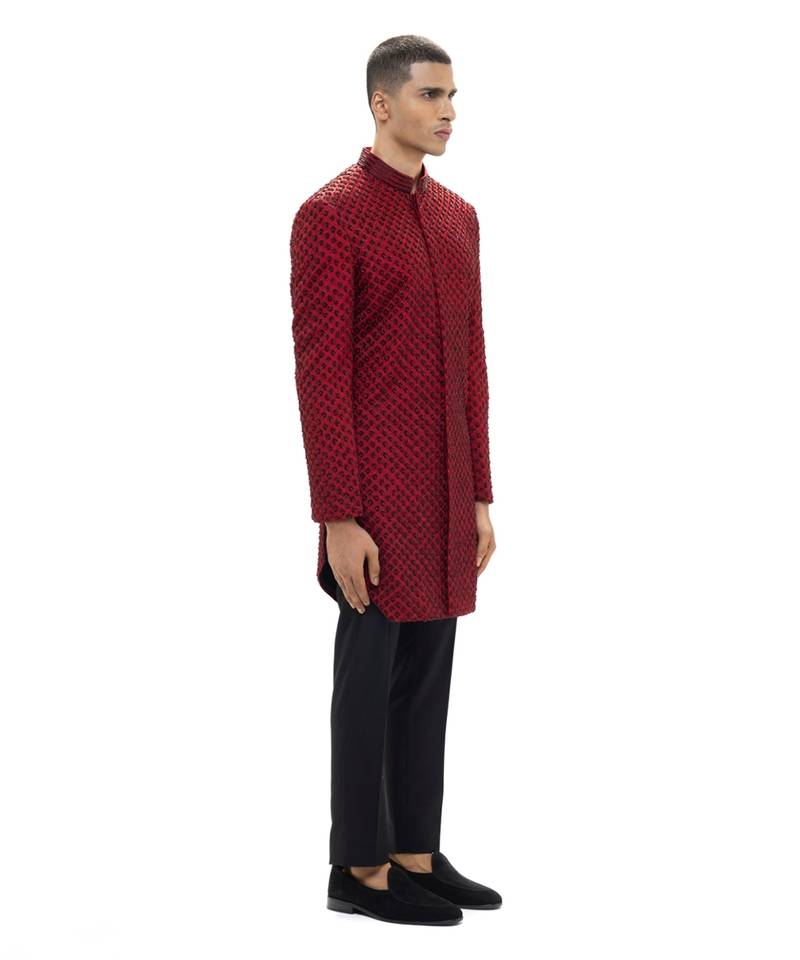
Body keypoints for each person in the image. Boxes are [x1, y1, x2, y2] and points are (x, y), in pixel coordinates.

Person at [290, 35, 502, 925]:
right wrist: (338, 514)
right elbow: (320, 374)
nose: (448, 111)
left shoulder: (457, 218)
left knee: (428, 675)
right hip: (373, 496)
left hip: (446, 488)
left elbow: (472, 360)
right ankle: (358, 867)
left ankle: (414, 849)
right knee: (368, 678)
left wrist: (481, 492)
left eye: (453, 95)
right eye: (430, 95)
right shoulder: (330, 215)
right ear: (383, 104)